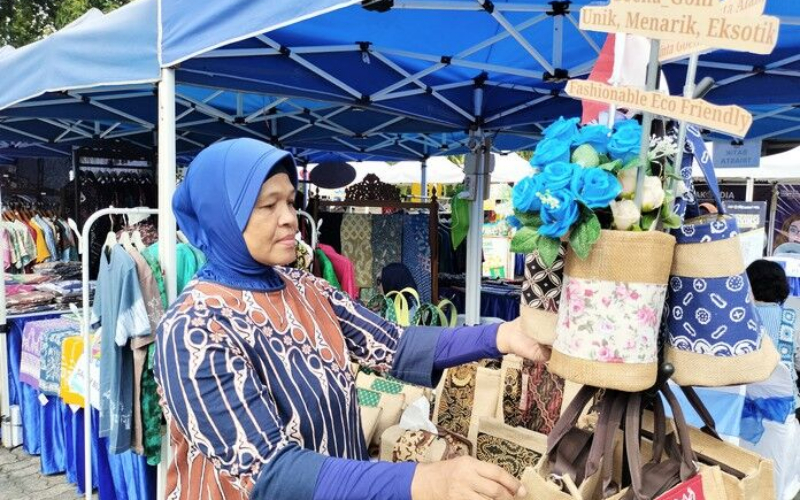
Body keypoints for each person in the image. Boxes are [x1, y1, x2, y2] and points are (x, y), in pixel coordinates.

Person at [155, 138, 550, 500]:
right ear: (221, 215)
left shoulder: (307, 289)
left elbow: (396, 344)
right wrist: (426, 480)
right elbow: (270, 473)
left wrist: (504, 335)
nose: (291, 218)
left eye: (291, 202)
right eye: (267, 205)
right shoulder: (195, 328)